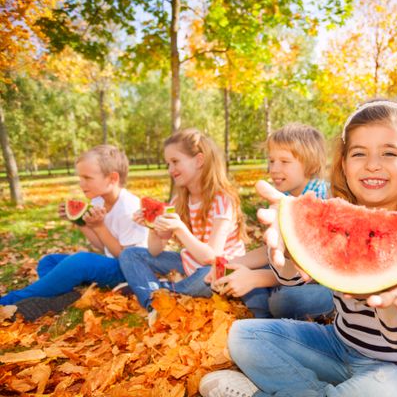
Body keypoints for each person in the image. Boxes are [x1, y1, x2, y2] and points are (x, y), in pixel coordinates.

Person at [199, 100, 397, 397]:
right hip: (337, 346)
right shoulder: (334, 220)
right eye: (359, 154)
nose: (373, 164)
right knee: (244, 336)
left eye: (389, 153)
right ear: (344, 166)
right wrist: (286, 249)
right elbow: (291, 278)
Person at [119, 128, 269, 322]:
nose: (170, 169)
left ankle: (158, 291)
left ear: (199, 160)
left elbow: (212, 257)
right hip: (188, 263)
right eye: (168, 164)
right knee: (131, 255)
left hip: (221, 269)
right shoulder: (178, 201)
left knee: (207, 275)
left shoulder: (223, 200)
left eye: (175, 162)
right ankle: (154, 305)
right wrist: (153, 227)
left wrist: (180, 229)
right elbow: (155, 251)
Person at [0, 145, 148, 321]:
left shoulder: (129, 207)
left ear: (112, 178)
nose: (81, 183)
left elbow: (127, 257)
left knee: (81, 261)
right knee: (49, 261)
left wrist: (99, 226)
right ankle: (65, 297)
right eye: (80, 177)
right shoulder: (99, 201)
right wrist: (80, 222)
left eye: (87, 177)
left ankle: (10, 301)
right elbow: (100, 245)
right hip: (112, 265)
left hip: (130, 272)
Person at [212, 123, 334, 320]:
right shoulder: (282, 197)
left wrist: (256, 279)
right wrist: (233, 263)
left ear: (311, 165)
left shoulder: (326, 198)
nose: (274, 169)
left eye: (284, 162)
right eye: (271, 161)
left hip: (325, 286)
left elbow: (315, 269)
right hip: (287, 275)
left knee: (284, 301)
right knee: (229, 277)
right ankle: (263, 312)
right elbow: (272, 251)